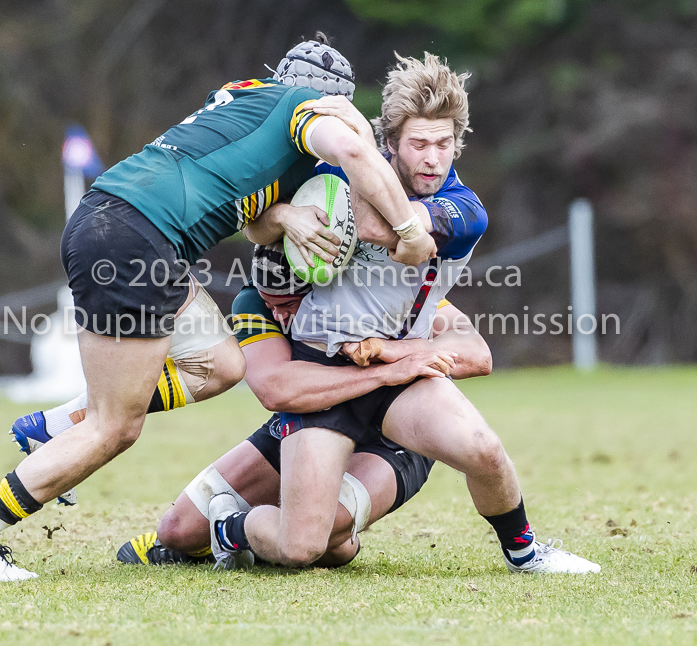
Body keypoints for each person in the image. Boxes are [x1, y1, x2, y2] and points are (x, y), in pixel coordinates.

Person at [0, 34, 437, 581]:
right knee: (115, 428)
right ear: (330, 103)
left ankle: (56, 424)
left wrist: (290, 217)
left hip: (120, 225)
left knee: (222, 364)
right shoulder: (302, 110)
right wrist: (408, 230)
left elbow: (252, 219)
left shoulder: (241, 96)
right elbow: (356, 152)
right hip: (136, 239)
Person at [209, 53, 601, 574]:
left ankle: (525, 553)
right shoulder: (335, 169)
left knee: (482, 449)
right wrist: (287, 214)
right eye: (418, 144)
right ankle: (230, 527)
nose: (433, 159)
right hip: (324, 365)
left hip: (398, 377)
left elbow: (385, 227)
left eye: (444, 144)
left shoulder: (463, 208)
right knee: (305, 546)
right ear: (392, 143)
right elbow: (253, 218)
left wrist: (353, 160)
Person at [112, 242, 490, 568]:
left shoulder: (383, 289)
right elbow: (275, 389)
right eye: (272, 303)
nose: (279, 314)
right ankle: (242, 537)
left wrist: (403, 350)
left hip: (393, 435)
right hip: (313, 419)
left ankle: (236, 530)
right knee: (177, 530)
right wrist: (383, 374)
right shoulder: (255, 299)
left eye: (289, 303)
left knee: (325, 541)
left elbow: (477, 355)